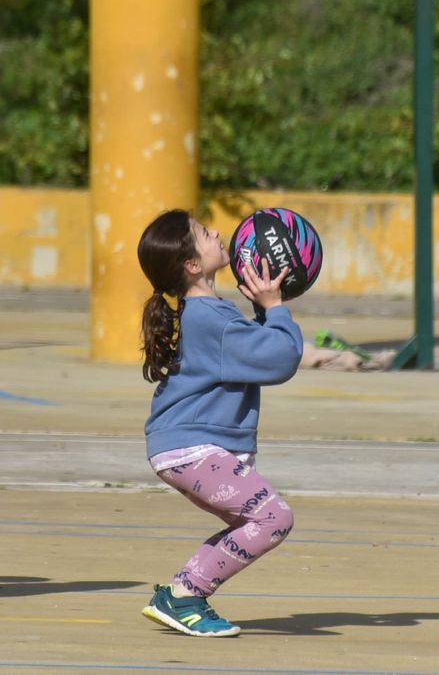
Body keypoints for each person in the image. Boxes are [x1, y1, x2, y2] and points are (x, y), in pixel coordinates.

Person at [135, 209, 303, 637]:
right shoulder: (212, 318)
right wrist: (275, 307)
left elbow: (259, 352)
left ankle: (180, 594)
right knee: (272, 517)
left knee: (252, 522)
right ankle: (184, 597)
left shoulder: (210, 313)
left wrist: (262, 313)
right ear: (192, 264)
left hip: (184, 447)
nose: (217, 233)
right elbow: (281, 358)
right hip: (191, 449)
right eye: (204, 232)